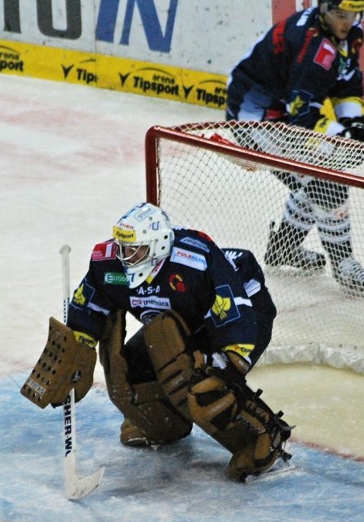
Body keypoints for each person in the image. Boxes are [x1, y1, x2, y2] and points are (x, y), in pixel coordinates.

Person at [20, 202, 291, 482]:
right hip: (184, 321)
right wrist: (77, 346)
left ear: (159, 244)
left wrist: (227, 361)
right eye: (123, 247)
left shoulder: (194, 260)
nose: (126, 256)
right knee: (128, 374)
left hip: (245, 312)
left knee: (207, 385)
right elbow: (90, 304)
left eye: (135, 249)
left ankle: (262, 433)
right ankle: (163, 425)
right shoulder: (108, 264)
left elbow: (235, 311)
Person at [225, 0, 364, 297]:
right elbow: (303, 120)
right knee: (326, 183)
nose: (348, 21)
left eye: (353, 14)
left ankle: (284, 248)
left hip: (281, 111)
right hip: (255, 117)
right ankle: (344, 266)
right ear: (325, 8)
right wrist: (343, 134)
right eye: (341, 14)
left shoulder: (346, 36)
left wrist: (352, 123)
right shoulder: (313, 46)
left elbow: (346, 84)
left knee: (313, 178)